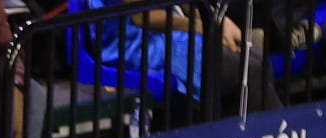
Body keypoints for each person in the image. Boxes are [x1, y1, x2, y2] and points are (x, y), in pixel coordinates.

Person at [77, 0, 279, 116]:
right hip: (134, 41)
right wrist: (204, 28)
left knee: (258, 61)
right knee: (247, 70)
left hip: (168, 32)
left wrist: (218, 22)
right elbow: (142, 17)